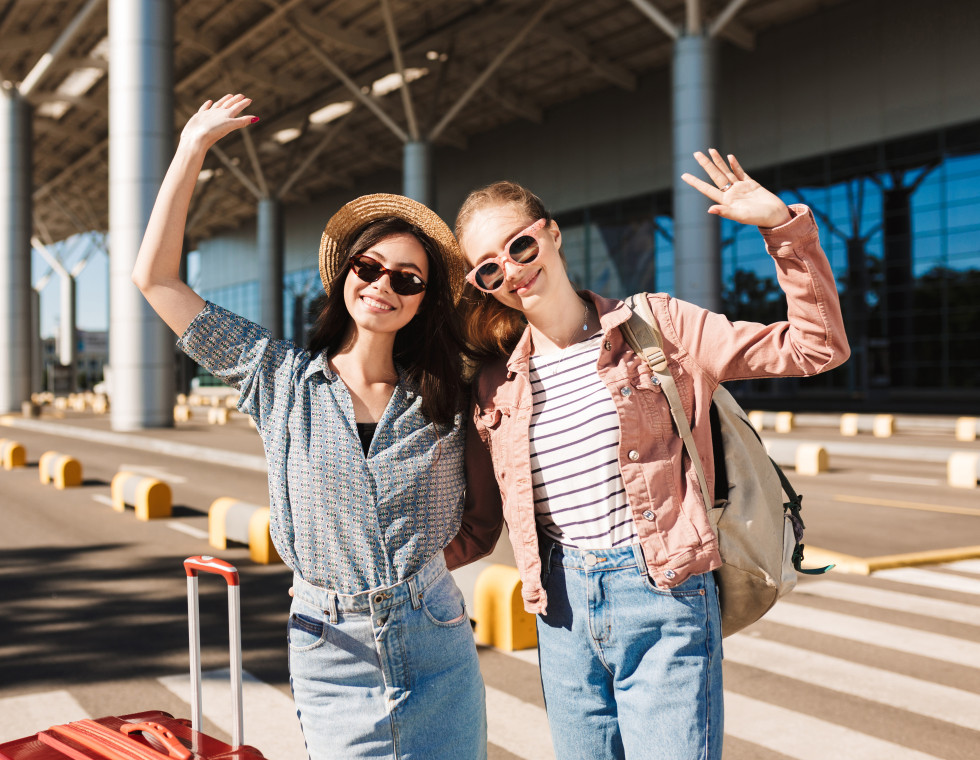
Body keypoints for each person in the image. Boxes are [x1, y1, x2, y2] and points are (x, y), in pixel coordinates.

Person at [445, 149, 850, 760]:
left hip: (662, 595)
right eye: (490, 271)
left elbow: (816, 348)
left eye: (520, 247)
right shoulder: (497, 385)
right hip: (560, 616)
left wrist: (781, 229)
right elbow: (477, 525)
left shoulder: (658, 326)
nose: (512, 271)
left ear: (552, 234)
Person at [132, 93, 487, 759]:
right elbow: (154, 280)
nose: (384, 284)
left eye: (407, 279)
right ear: (345, 275)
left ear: (423, 301)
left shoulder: (445, 396)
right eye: (370, 266)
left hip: (435, 634)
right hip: (333, 648)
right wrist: (192, 150)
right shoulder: (280, 378)